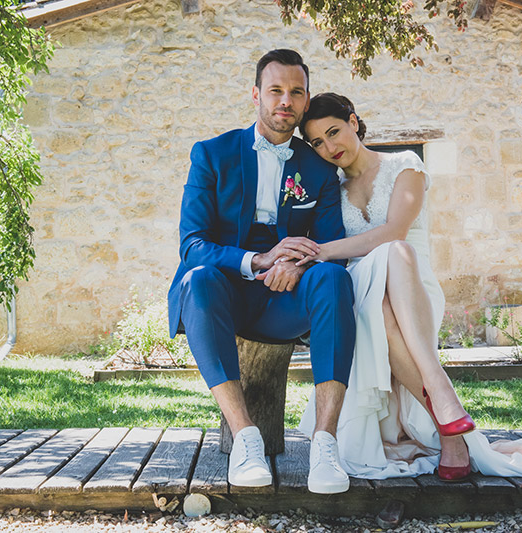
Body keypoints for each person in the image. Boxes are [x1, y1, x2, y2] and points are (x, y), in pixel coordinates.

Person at [295, 93, 522, 481]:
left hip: (409, 285)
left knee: (396, 251)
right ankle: (448, 416)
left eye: (334, 132)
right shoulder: (331, 189)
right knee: (375, 303)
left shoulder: (405, 164)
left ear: (353, 121)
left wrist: (322, 251)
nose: (330, 147)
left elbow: (395, 231)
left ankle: (441, 399)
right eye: (317, 142)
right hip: (362, 290)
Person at [167, 51, 356, 494]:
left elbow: (333, 246)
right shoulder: (212, 154)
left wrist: (295, 261)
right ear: (256, 94)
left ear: (306, 100)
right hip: (225, 293)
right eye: (275, 90)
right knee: (197, 279)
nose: (284, 101)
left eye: (295, 92)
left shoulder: (321, 170)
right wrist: (258, 260)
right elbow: (191, 244)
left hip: (285, 296)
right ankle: (246, 439)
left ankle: (325, 446)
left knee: (333, 279)